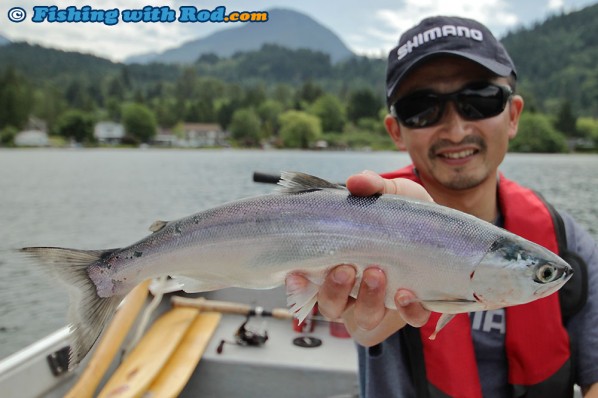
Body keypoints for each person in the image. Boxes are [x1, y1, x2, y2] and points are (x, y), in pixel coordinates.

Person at [287, 16, 598, 397]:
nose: (455, 130)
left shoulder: (574, 249)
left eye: (480, 100)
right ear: (396, 130)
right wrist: (362, 322)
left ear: (513, 115)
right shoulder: (357, 224)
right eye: (422, 107)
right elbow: (363, 327)